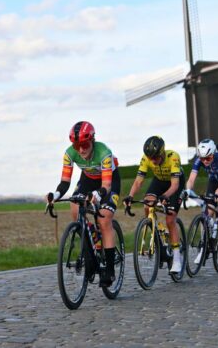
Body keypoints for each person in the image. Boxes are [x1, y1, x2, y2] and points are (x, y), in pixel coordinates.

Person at [46, 121, 121, 287]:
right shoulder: (69, 153)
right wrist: (56, 195)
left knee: (104, 219)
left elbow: (106, 186)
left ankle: (109, 270)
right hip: (88, 179)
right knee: (74, 208)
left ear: (92, 140)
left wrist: (97, 194)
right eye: (77, 145)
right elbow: (65, 182)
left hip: (108, 182)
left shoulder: (104, 152)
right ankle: (92, 242)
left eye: (85, 144)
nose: (81, 150)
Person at [123, 135, 185, 274]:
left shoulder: (173, 157)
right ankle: (155, 234)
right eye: (150, 158)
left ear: (162, 153)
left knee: (170, 219)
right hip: (159, 181)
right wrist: (130, 196)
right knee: (147, 205)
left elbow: (174, 185)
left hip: (175, 183)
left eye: (155, 157)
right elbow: (139, 181)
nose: (153, 161)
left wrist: (165, 196)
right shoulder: (146, 158)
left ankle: (176, 259)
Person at [183, 138, 218, 264]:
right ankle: (203, 249)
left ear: (213, 153)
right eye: (202, 159)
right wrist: (187, 190)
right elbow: (191, 180)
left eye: (208, 158)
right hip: (213, 181)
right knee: (207, 214)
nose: (205, 161)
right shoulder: (200, 159)